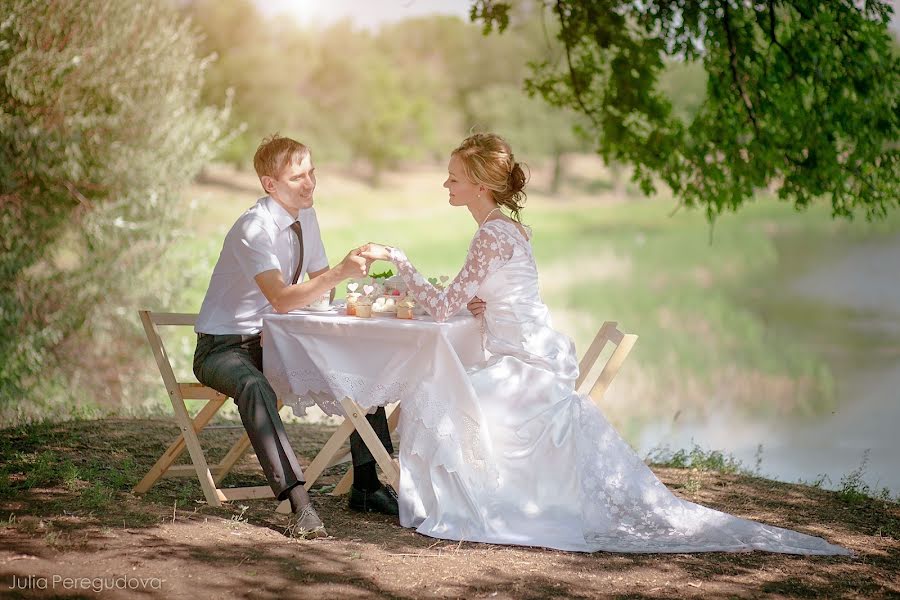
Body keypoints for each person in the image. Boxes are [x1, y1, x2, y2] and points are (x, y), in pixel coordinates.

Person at [359, 133, 851, 555]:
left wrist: (401, 259)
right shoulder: (504, 230)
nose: (447, 184)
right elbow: (499, 294)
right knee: (441, 388)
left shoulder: (490, 235)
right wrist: (482, 305)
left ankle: (467, 502)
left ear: (481, 186)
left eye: (454, 178)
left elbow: (443, 308)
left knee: (435, 394)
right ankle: (449, 489)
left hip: (526, 365)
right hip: (530, 354)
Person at [194, 135, 399, 539]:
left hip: (277, 340)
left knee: (360, 369)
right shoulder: (254, 228)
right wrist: (338, 273)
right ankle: (298, 503)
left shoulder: (306, 216)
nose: (309, 185)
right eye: (297, 177)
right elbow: (282, 298)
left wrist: (342, 281)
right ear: (270, 185)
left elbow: (321, 286)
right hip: (224, 348)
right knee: (255, 387)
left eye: (312, 173)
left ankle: (367, 484)